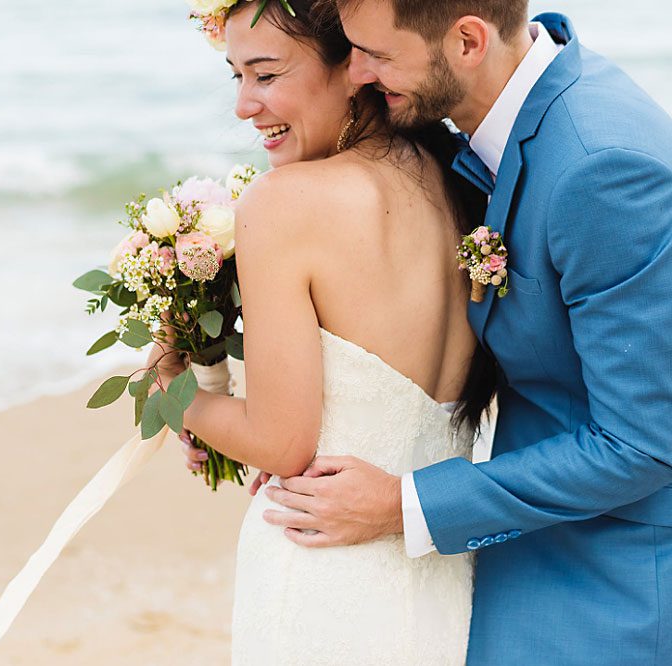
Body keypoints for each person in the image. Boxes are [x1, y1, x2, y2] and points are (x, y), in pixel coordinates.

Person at [255, 1, 672, 663]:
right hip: (512, 547)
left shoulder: (602, 169)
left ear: (468, 42)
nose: (356, 74)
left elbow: (644, 442)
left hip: (603, 585)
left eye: (378, 55)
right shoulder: (486, 129)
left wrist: (402, 504)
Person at [150, 0, 494, 662]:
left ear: (356, 66)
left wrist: (168, 392)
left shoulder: (284, 205)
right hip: (442, 572)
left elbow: (279, 442)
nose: (245, 106)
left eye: (267, 73)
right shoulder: (460, 184)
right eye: (236, 77)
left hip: (321, 572)